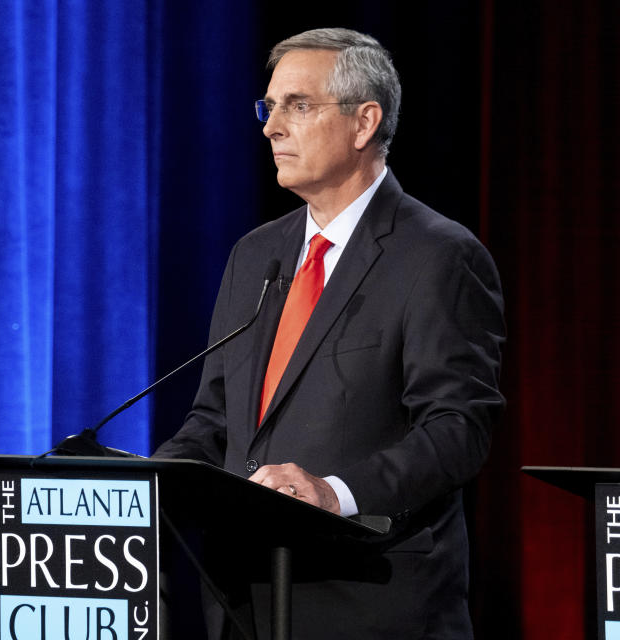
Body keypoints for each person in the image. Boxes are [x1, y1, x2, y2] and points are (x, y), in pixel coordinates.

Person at [154, 28, 505, 639]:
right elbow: (215, 420)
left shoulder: (439, 256)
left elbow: (458, 428)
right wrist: (149, 484)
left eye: (298, 105)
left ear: (364, 122)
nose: (270, 127)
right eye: (269, 107)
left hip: (368, 601)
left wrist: (336, 492)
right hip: (245, 602)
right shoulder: (255, 254)